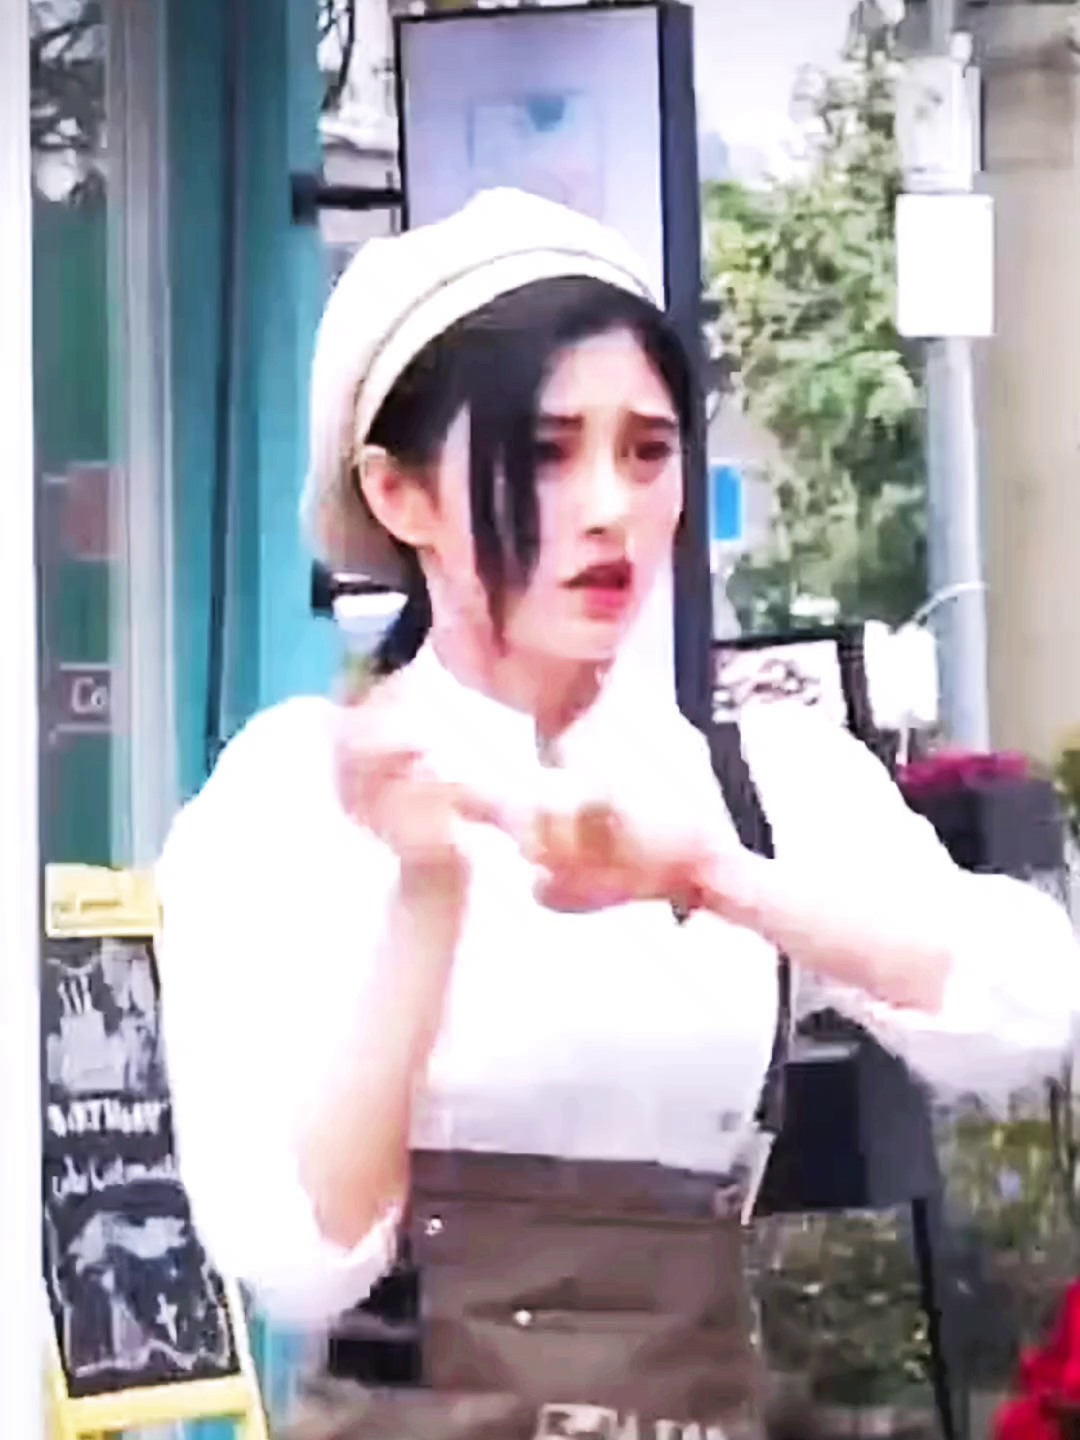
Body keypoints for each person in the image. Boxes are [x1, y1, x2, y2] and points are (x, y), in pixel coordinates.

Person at [156, 189, 1080, 1439]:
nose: (609, 507)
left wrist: (718, 874)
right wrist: (428, 897)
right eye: (546, 452)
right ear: (400, 492)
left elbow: (1032, 1006)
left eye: (648, 452)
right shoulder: (295, 794)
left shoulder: (763, 782)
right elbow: (301, 1257)